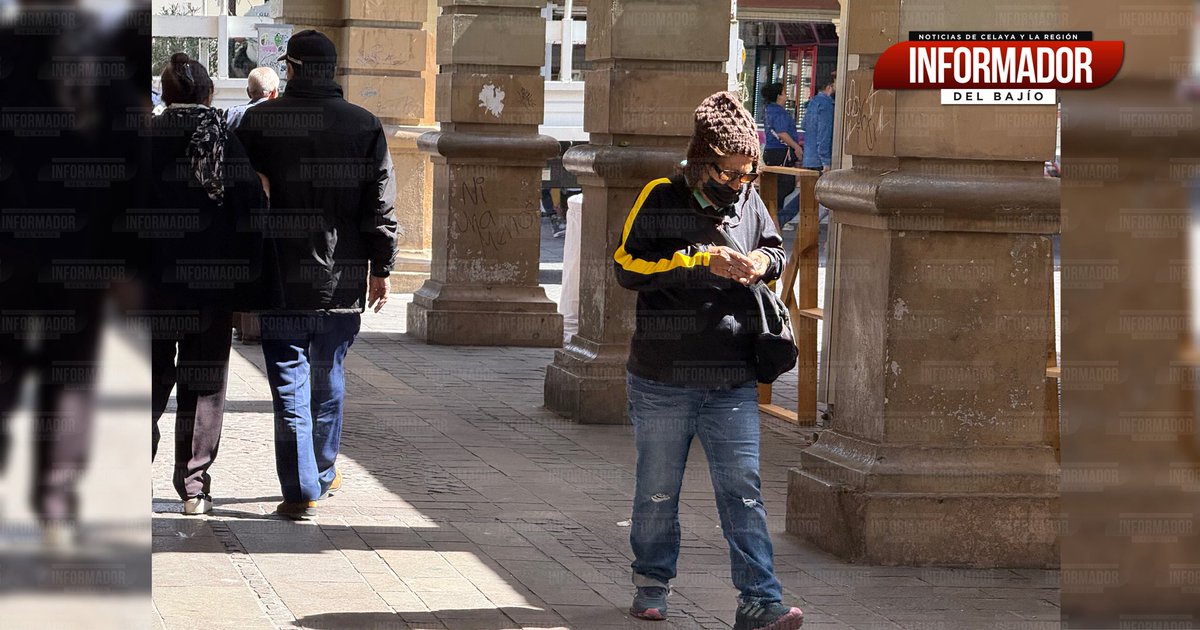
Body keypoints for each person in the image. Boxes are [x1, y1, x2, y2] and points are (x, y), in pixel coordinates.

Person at [612, 91, 804, 630]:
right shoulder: (662, 194)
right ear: (702, 161)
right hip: (663, 378)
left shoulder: (749, 199)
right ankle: (651, 583)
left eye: (747, 172)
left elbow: (775, 248)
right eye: (727, 172)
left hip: (733, 376)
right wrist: (698, 261)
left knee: (743, 490)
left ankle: (760, 601)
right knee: (658, 487)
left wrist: (760, 264)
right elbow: (627, 265)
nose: (738, 183)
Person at [235, 30, 398, 520]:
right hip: (342, 278)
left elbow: (232, 193)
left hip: (279, 276)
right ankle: (323, 473)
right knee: (328, 377)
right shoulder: (365, 125)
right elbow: (380, 207)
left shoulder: (257, 122)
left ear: (293, 67)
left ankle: (300, 486)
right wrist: (382, 268)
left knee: (289, 383)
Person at [145, 53, 274, 515]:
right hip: (211, 290)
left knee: (146, 379)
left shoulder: (143, 141)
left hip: (150, 289)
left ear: (167, 94)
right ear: (209, 94)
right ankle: (194, 487)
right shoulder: (227, 143)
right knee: (203, 387)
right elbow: (252, 217)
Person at [226, 65, 281, 345]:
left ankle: (242, 325)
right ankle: (258, 326)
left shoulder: (232, 114)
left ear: (249, 91)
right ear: (273, 92)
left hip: (239, 202)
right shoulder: (280, 117)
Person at [760, 82, 803, 227]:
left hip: (771, 151)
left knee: (777, 185)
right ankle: (776, 218)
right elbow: (782, 133)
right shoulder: (779, 112)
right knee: (785, 185)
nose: (786, 95)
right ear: (779, 95)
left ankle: (773, 217)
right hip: (781, 152)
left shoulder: (768, 110)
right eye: (784, 92)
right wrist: (796, 147)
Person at [800, 75, 835, 173]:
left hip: (808, 157)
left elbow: (804, 125)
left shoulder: (812, 102)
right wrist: (825, 160)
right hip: (819, 161)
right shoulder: (827, 105)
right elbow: (824, 133)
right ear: (829, 87)